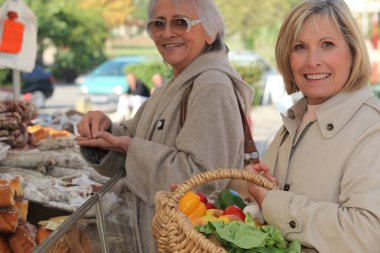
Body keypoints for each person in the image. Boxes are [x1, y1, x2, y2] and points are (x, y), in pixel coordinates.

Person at [75, 0, 253, 252]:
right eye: (158, 24)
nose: (167, 33)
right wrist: (103, 132)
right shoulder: (175, 84)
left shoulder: (212, 87)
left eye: (181, 22)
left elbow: (202, 181)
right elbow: (135, 138)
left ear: (211, 31)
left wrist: (131, 148)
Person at [232, 0, 380, 252]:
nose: (312, 61)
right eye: (300, 47)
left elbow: (367, 234)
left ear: (353, 51)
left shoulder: (372, 129)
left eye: (327, 45)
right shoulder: (294, 121)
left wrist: (272, 201)